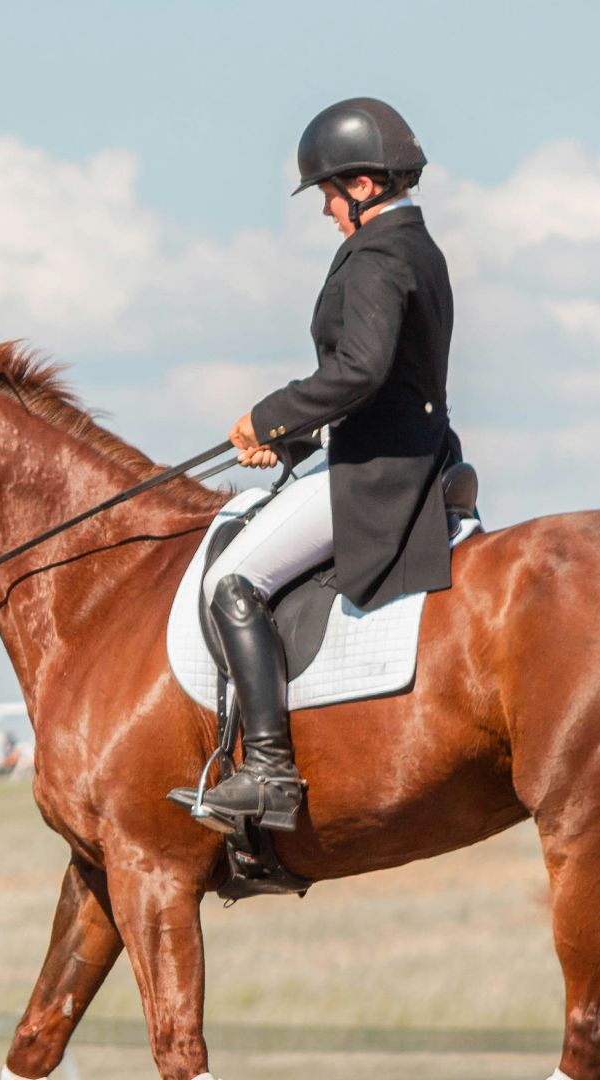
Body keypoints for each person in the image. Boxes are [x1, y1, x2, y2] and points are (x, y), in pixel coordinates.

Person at [170, 97, 459, 835]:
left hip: (378, 471)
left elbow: (360, 370)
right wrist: (294, 441)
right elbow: (388, 378)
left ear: (363, 185)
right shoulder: (414, 246)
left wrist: (269, 415)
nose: (325, 209)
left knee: (232, 580)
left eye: (330, 192)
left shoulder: (377, 254)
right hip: (401, 449)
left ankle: (268, 771)